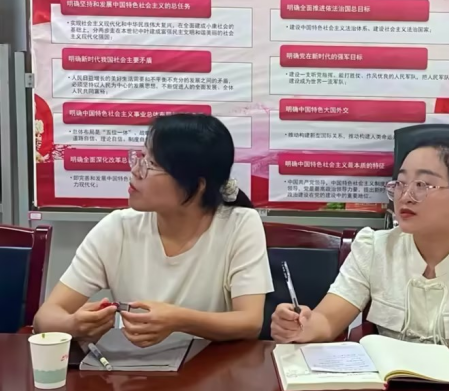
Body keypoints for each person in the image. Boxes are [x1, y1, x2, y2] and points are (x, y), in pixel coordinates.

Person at [34, 114, 274, 346]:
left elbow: (250, 322)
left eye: (151, 164)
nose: (135, 171)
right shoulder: (117, 228)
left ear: (197, 185)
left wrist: (179, 320)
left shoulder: (239, 224)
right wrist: (73, 324)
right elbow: (45, 318)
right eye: (140, 157)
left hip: (214, 368)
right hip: (135, 368)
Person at [272, 139, 449, 347]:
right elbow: (327, 320)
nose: (406, 196)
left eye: (422, 185)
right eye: (401, 184)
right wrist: (300, 326)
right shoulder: (373, 248)